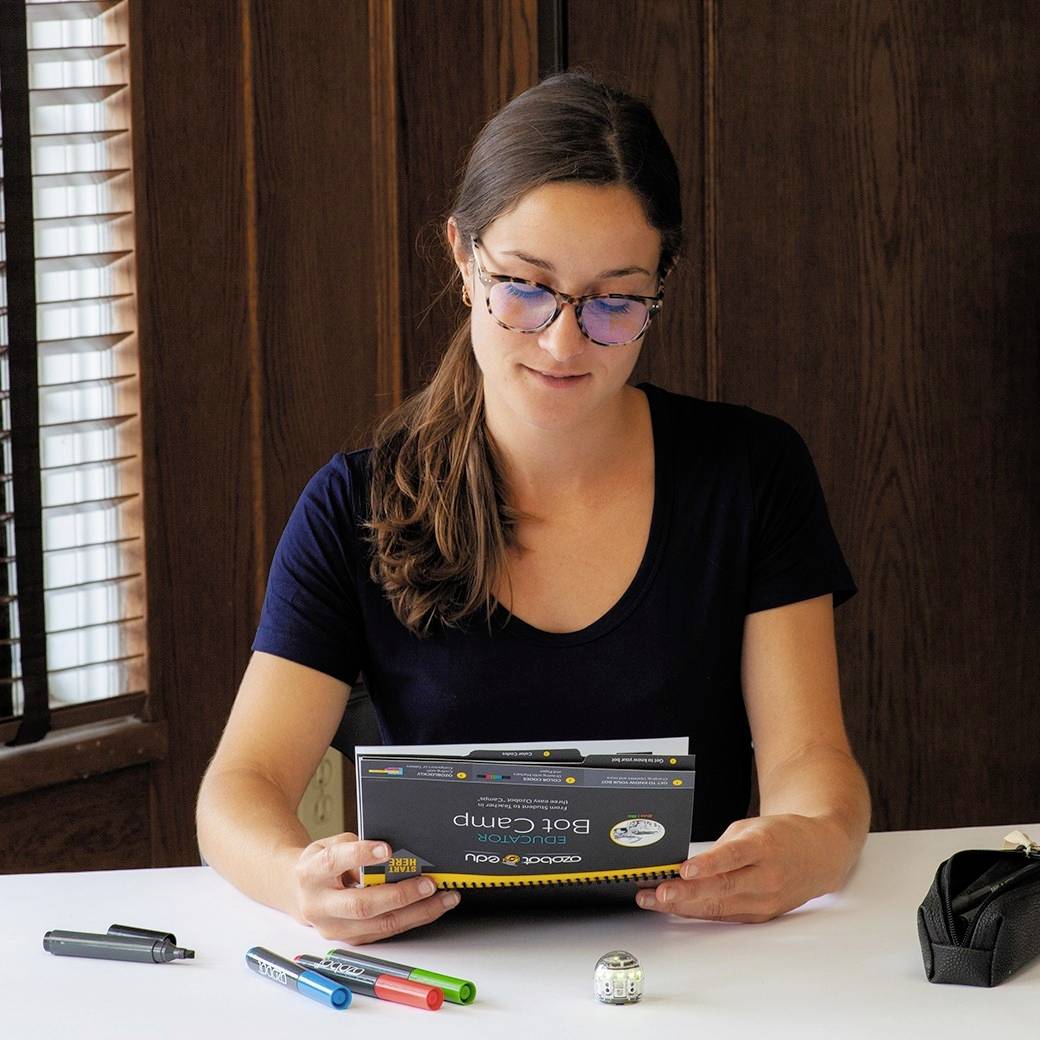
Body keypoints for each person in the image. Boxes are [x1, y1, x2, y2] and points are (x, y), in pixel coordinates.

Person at [196, 69, 870, 945]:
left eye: (614, 302)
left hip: (690, 961)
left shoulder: (751, 472)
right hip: (439, 972)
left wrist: (811, 844)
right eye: (525, 288)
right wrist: (298, 881)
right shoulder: (352, 503)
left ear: (659, 288)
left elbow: (813, 762)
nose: (562, 341)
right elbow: (238, 787)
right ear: (462, 260)